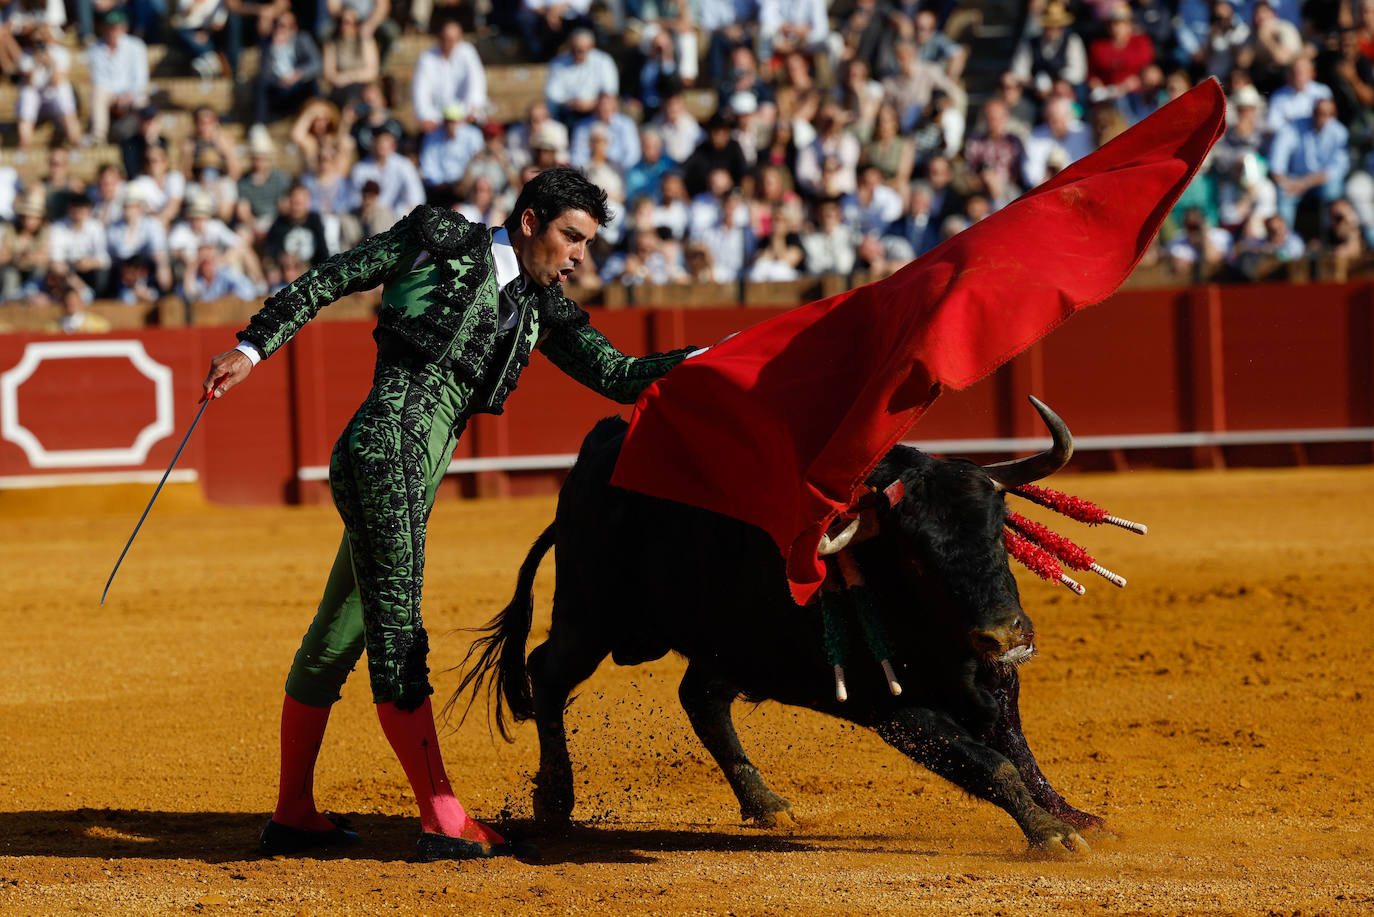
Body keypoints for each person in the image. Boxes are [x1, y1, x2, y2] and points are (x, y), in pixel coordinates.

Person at [201, 168, 698, 861]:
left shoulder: (539, 307)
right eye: (570, 237)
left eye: (585, 242)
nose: (579, 255)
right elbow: (331, 278)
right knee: (399, 638)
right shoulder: (438, 238)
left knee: (338, 632)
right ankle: (441, 814)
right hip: (389, 453)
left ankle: (293, 813)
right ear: (529, 220)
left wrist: (707, 359)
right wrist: (253, 347)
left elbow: (618, 374)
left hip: (401, 467)